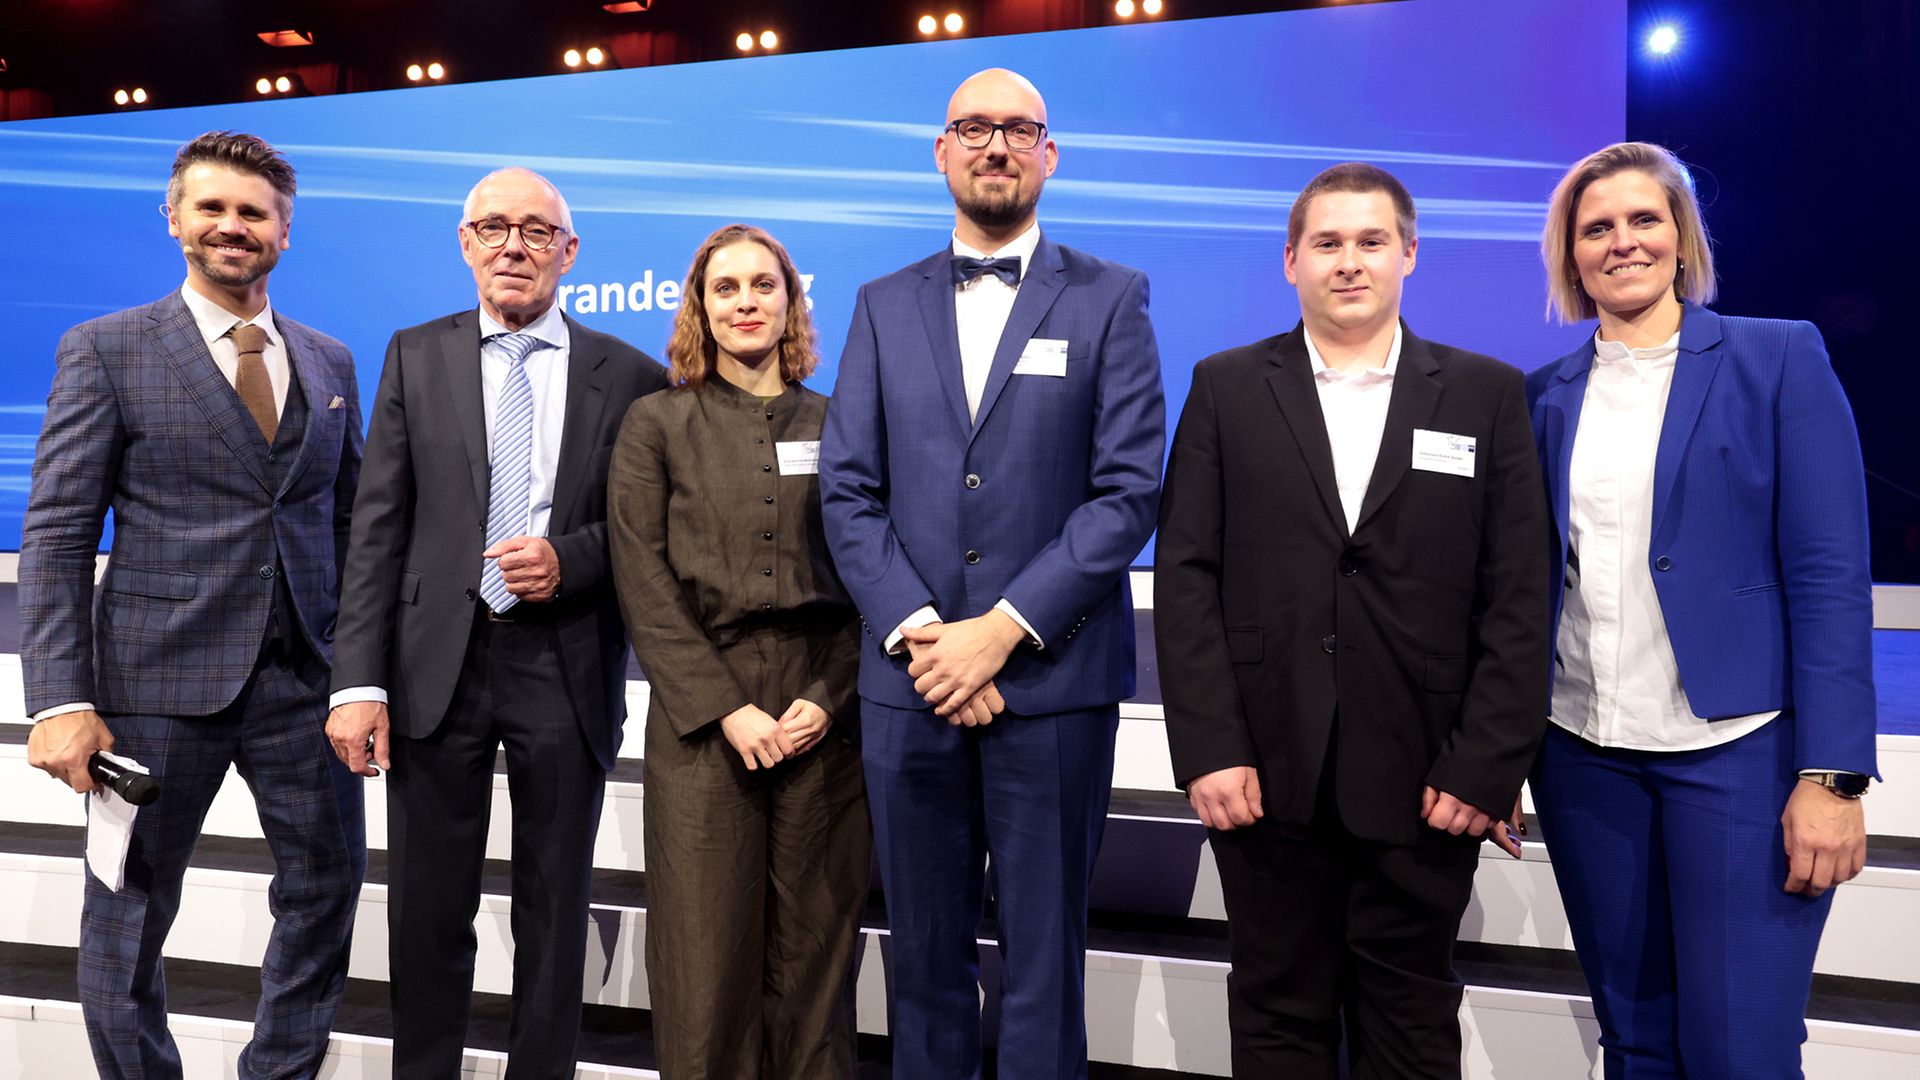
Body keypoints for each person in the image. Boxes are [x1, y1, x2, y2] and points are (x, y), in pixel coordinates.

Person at [1154, 162, 1551, 1079]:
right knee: (1275, 1017)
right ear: (1290, 260)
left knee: (1410, 1024)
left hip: (1427, 778)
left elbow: (1520, 593)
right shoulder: (1225, 385)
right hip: (1262, 768)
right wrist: (1209, 746)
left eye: (1371, 241)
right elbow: (1186, 575)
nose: (1349, 261)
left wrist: (1487, 765)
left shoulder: (1487, 394)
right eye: (1327, 243)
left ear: (1409, 254)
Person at [818, 68, 1164, 1080]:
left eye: (1019, 129)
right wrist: (926, 632)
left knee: (1044, 958)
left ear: (1049, 154)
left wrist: (1001, 629)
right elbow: (846, 487)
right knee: (921, 954)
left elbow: (1127, 492)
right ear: (942, 151)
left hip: (1049, 685)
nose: (995, 145)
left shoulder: (1113, 298)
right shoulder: (883, 305)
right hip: (909, 682)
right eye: (973, 128)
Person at [1525, 141, 1876, 1079]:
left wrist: (1834, 778)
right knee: (1635, 1044)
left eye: (1645, 219)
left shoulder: (1778, 356)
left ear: (1682, 238)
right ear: (1571, 254)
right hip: (1583, 758)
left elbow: (1830, 574)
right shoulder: (1541, 398)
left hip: (1740, 756)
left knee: (1739, 1052)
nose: (1622, 241)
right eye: (1596, 227)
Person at [19, 130, 365, 1079]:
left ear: (284, 232)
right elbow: (55, 532)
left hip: (307, 685)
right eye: (211, 208)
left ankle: (280, 1073)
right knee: (126, 914)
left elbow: (346, 529)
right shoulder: (107, 348)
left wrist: (359, 674)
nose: (232, 226)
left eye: (253, 212)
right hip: (152, 687)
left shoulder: (331, 362)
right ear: (173, 219)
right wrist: (57, 700)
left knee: (329, 889)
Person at [324, 167, 668, 1078]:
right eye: (493, 228)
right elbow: (377, 528)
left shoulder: (631, 374)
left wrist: (572, 560)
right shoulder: (415, 353)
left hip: (566, 657)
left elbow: (648, 530)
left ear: (569, 251)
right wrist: (356, 681)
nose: (513, 245)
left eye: (534, 230)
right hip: (433, 665)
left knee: (554, 909)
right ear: (466, 242)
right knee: (429, 909)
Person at [607, 223, 869, 1079]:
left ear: (792, 302)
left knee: (816, 959)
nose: (747, 302)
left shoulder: (843, 424)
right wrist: (727, 708)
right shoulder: (655, 422)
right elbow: (641, 576)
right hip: (702, 718)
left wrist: (828, 698)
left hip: (823, 715)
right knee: (703, 957)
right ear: (700, 307)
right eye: (727, 288)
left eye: (765, 285)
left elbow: (877, 574)